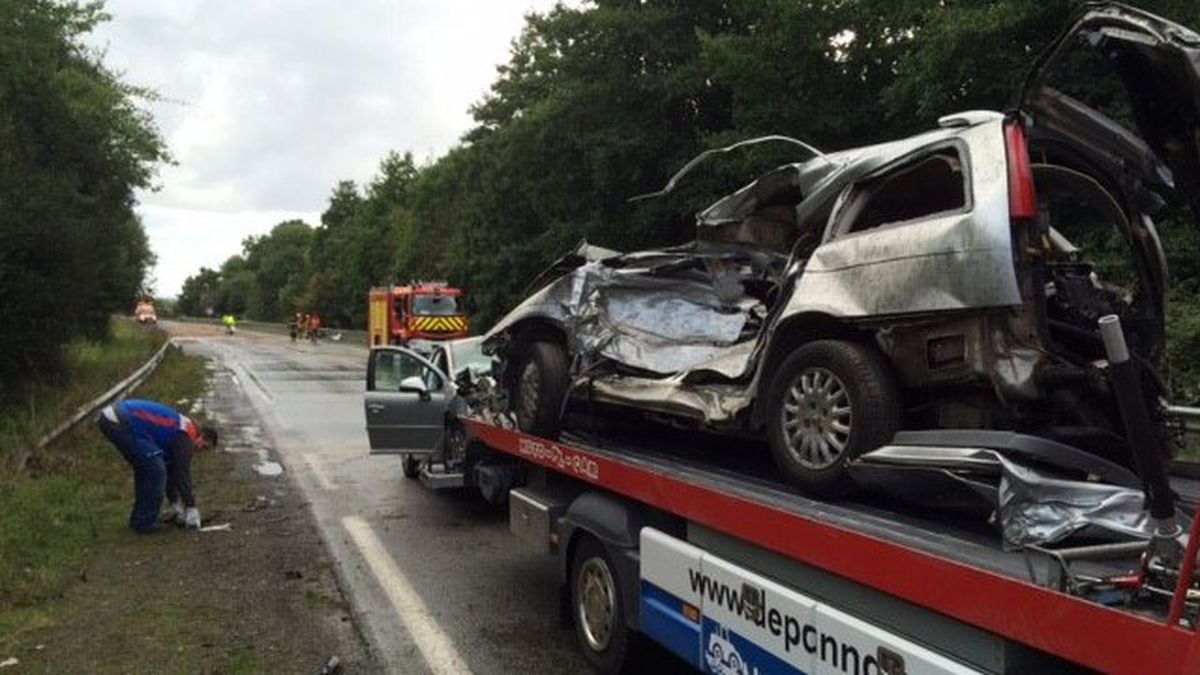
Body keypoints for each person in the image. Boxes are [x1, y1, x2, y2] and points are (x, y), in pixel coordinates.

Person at [96, 399, 218, 533]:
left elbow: (172, 470)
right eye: (204, 447)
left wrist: (174, 502)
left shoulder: (179, 429)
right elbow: (182, 473)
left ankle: (139, 519)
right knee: (156, 471)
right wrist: (191, 507)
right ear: (201, 436)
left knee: (148, 468)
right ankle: (145, 523)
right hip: (123, 421)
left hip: (115, 417)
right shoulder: (187, 435)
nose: (199, 451)